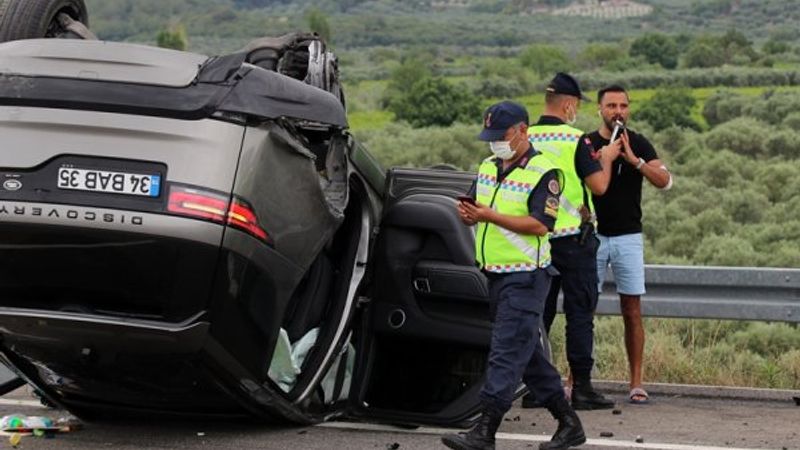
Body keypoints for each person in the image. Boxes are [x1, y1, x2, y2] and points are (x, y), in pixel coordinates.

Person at [441, 101, 585, 450]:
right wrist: (469, 214)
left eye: (501, 136)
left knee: (505, 352)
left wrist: (489, 216)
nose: (494, 143)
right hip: (495, 276)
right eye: (490, 136)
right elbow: (479, 206)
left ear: (522, 130)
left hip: (527, 277)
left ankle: (485, 431)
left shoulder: (544, 172)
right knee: (528, 356)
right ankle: (569, 424)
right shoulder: (488, 167)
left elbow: (540, 225)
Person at [524, 73, 621, 411]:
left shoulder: (526, 137)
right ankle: (581, 388)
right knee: (580, 313)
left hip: (535, 239)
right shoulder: (576, 139)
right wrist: (606, 160)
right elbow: (598, 187)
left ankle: (538, 389)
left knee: (539, 314)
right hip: (573, 242)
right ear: (567, 104)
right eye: (576, 106)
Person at [587, 85, 672, 405]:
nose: (618, 111)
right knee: (584, 310)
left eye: (623, 105)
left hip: (628, 237)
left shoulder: (637, 141)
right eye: (611, 106)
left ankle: (636, 383)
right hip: (591, 238)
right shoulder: (587, 142)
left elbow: (666, 181)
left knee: (632, 311)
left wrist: (635, 161)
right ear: (600, 109)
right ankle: (577, 380)